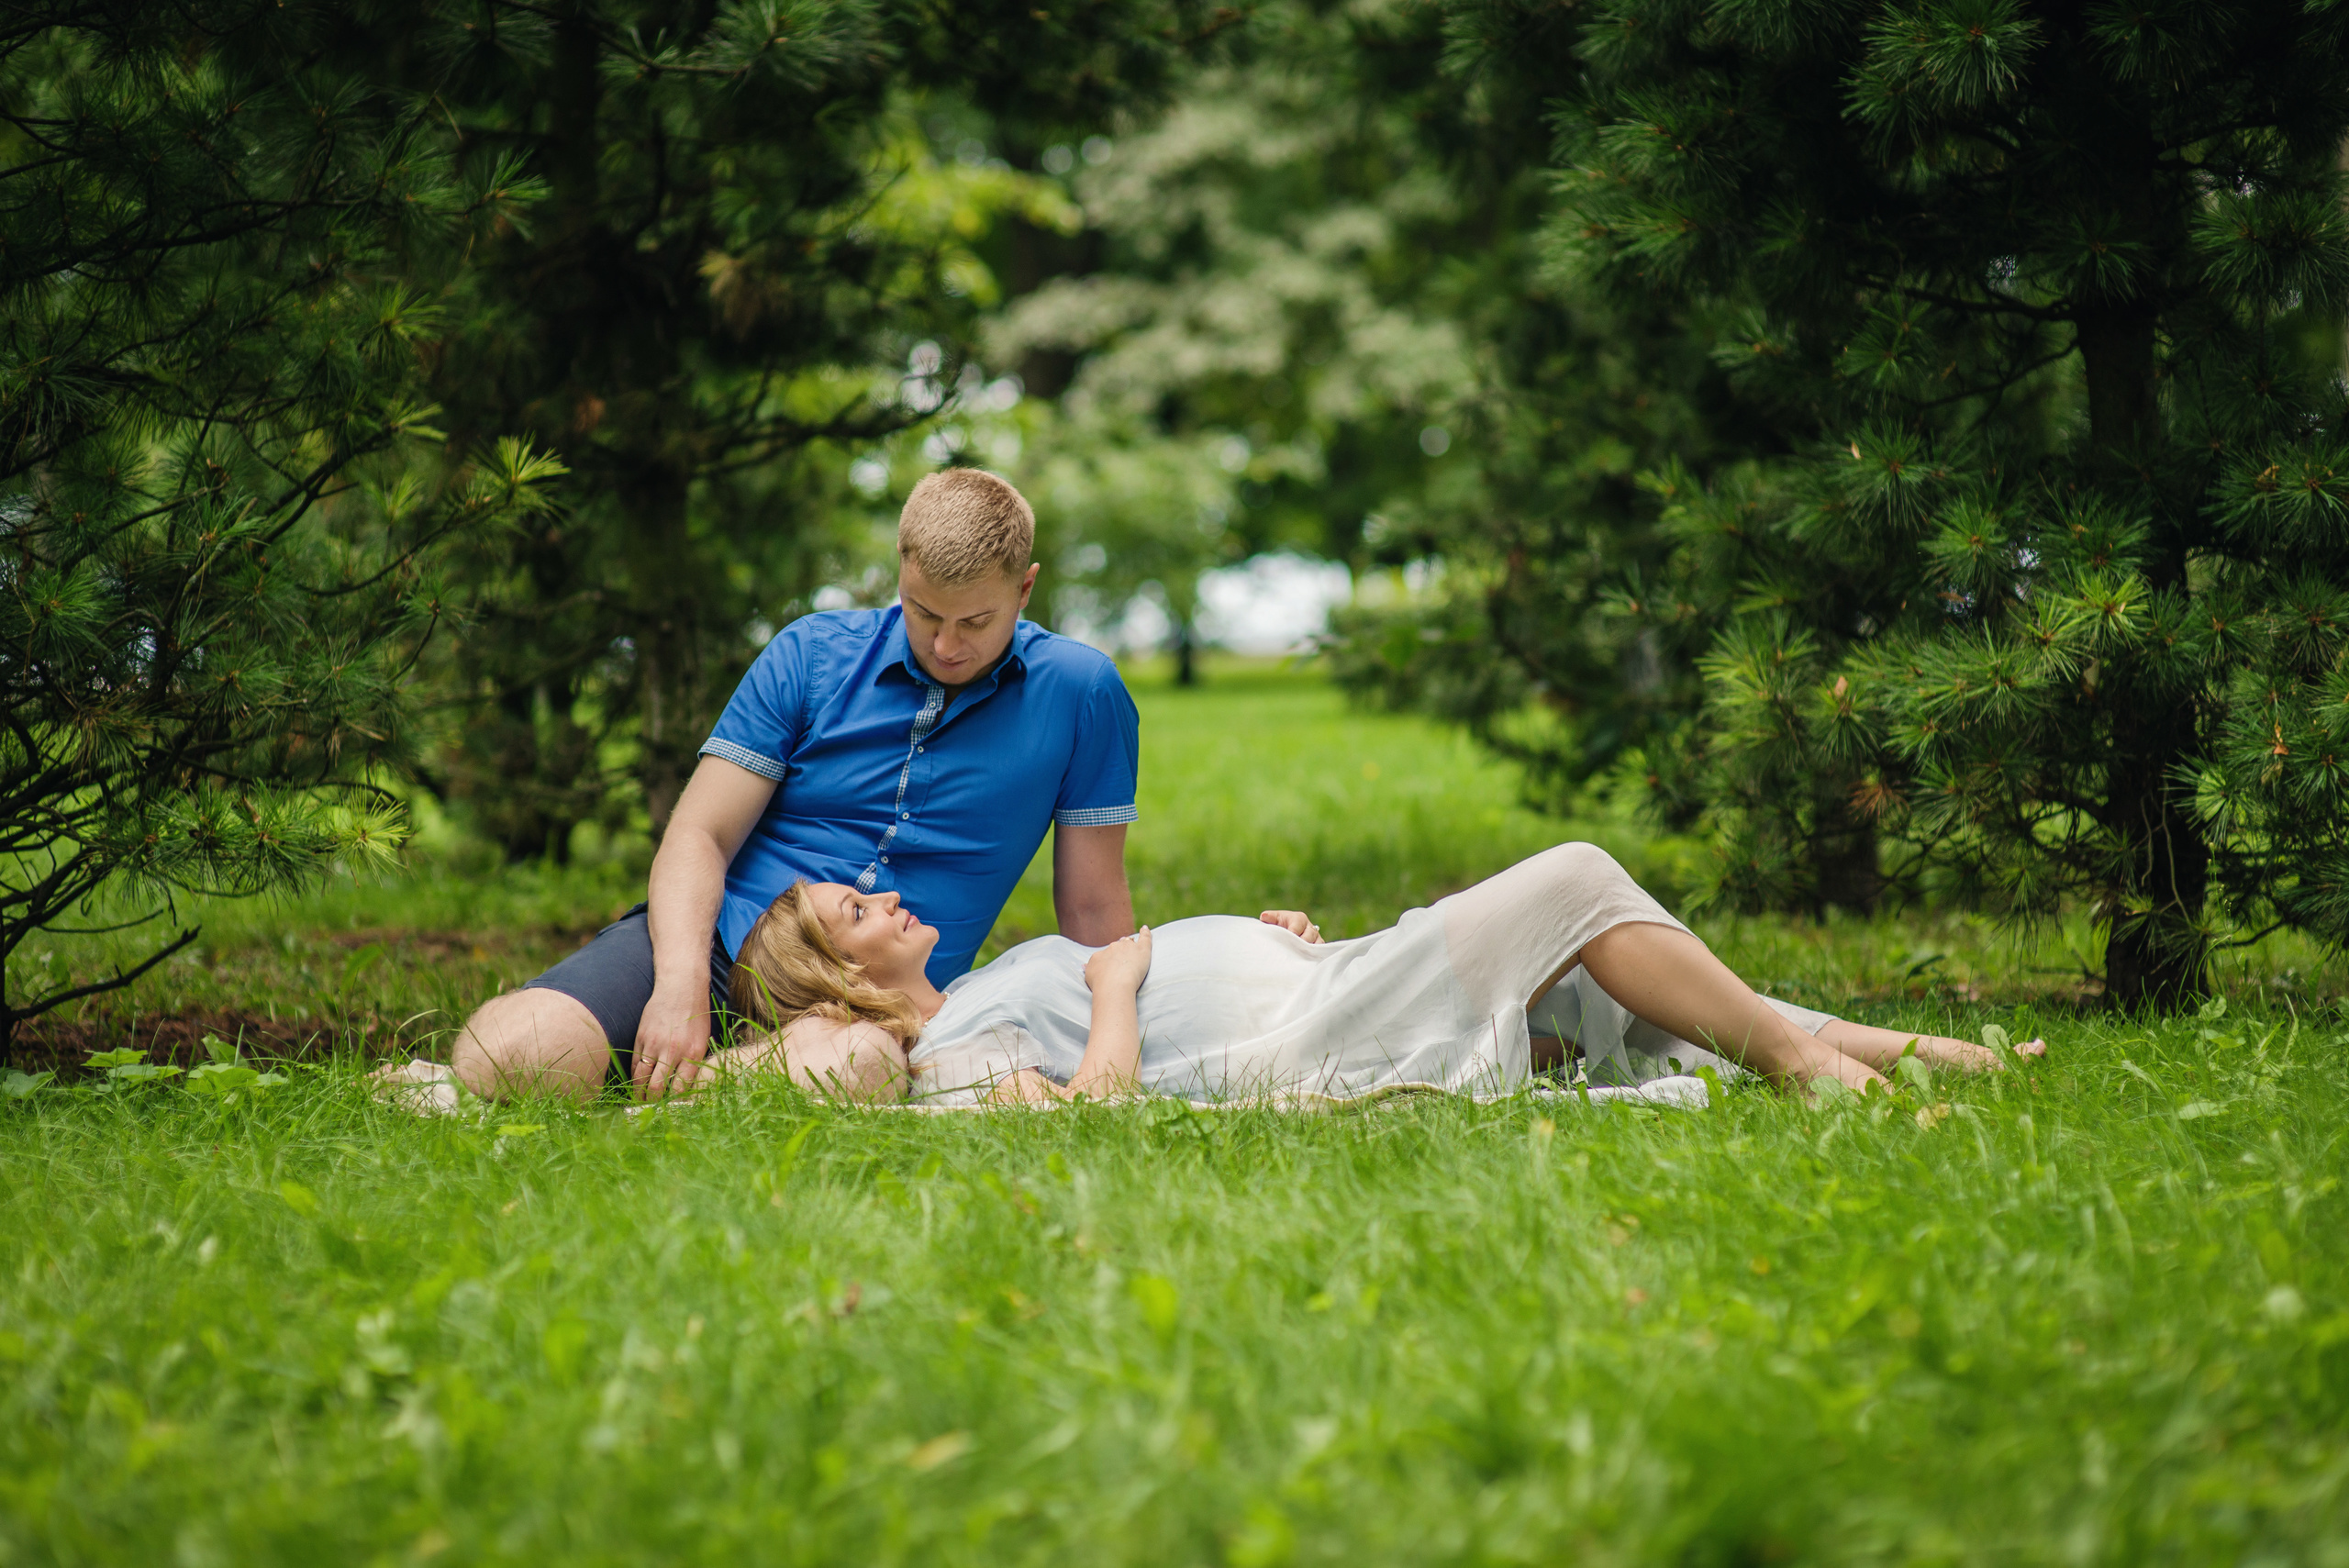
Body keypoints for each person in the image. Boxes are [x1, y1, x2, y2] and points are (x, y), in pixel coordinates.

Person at [445, 468, 1141, 1101]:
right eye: (924, 613)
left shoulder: (1082, 693)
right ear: (901, 568)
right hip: (720, 941)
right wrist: (681, 983)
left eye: (975, 622)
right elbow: (700, 832)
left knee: (864, 1065)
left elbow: (1090, 907)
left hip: (874, 998)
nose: (945, 645)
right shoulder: (810, 654)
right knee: (517, 1054)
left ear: (1025, 586)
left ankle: (684, 1084)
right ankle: (711, 1070)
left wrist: (1126, 1026)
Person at [703, 840, 2048, 1106]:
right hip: (1314, 1039)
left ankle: (1953, 1060)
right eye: (852, 909)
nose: (882, 896)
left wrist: (1247, 931)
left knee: (1595, 983)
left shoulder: (981, 986)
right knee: (1573, 880)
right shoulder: (943, 1060)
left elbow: (1148, 971)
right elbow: (1089, 1116)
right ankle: (1814, 1068)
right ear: (841, 983)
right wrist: (1119, 991)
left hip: (1320, 978)